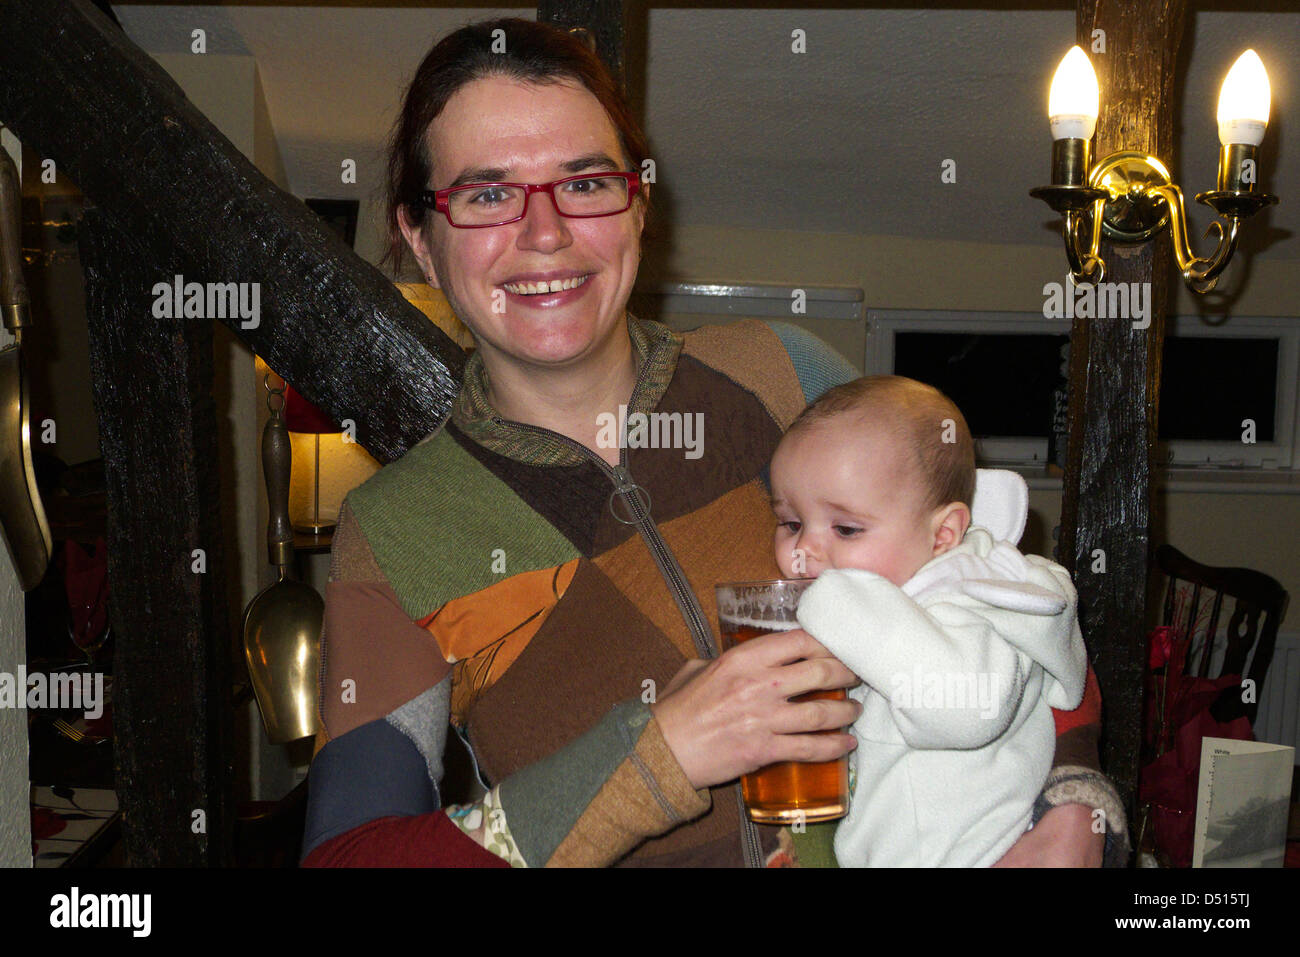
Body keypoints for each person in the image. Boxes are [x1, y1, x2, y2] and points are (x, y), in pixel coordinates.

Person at [300, 17, 1124, 867]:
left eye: (585, 183)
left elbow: (1008, 596)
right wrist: (657, 754)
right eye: (486, 195)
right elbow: (351, 856)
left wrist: (1076, 800)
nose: (545, 234)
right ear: (420, 240)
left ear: (639, 205)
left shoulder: (784, 374)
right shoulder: (396, 531)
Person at [769, 376, 1103, 866]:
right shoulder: (898, 592)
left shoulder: (963, 606)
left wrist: (834, 600)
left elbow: (969, 712)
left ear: (943, 534)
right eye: (790, 523)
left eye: (846, 528)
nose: (804, 551)